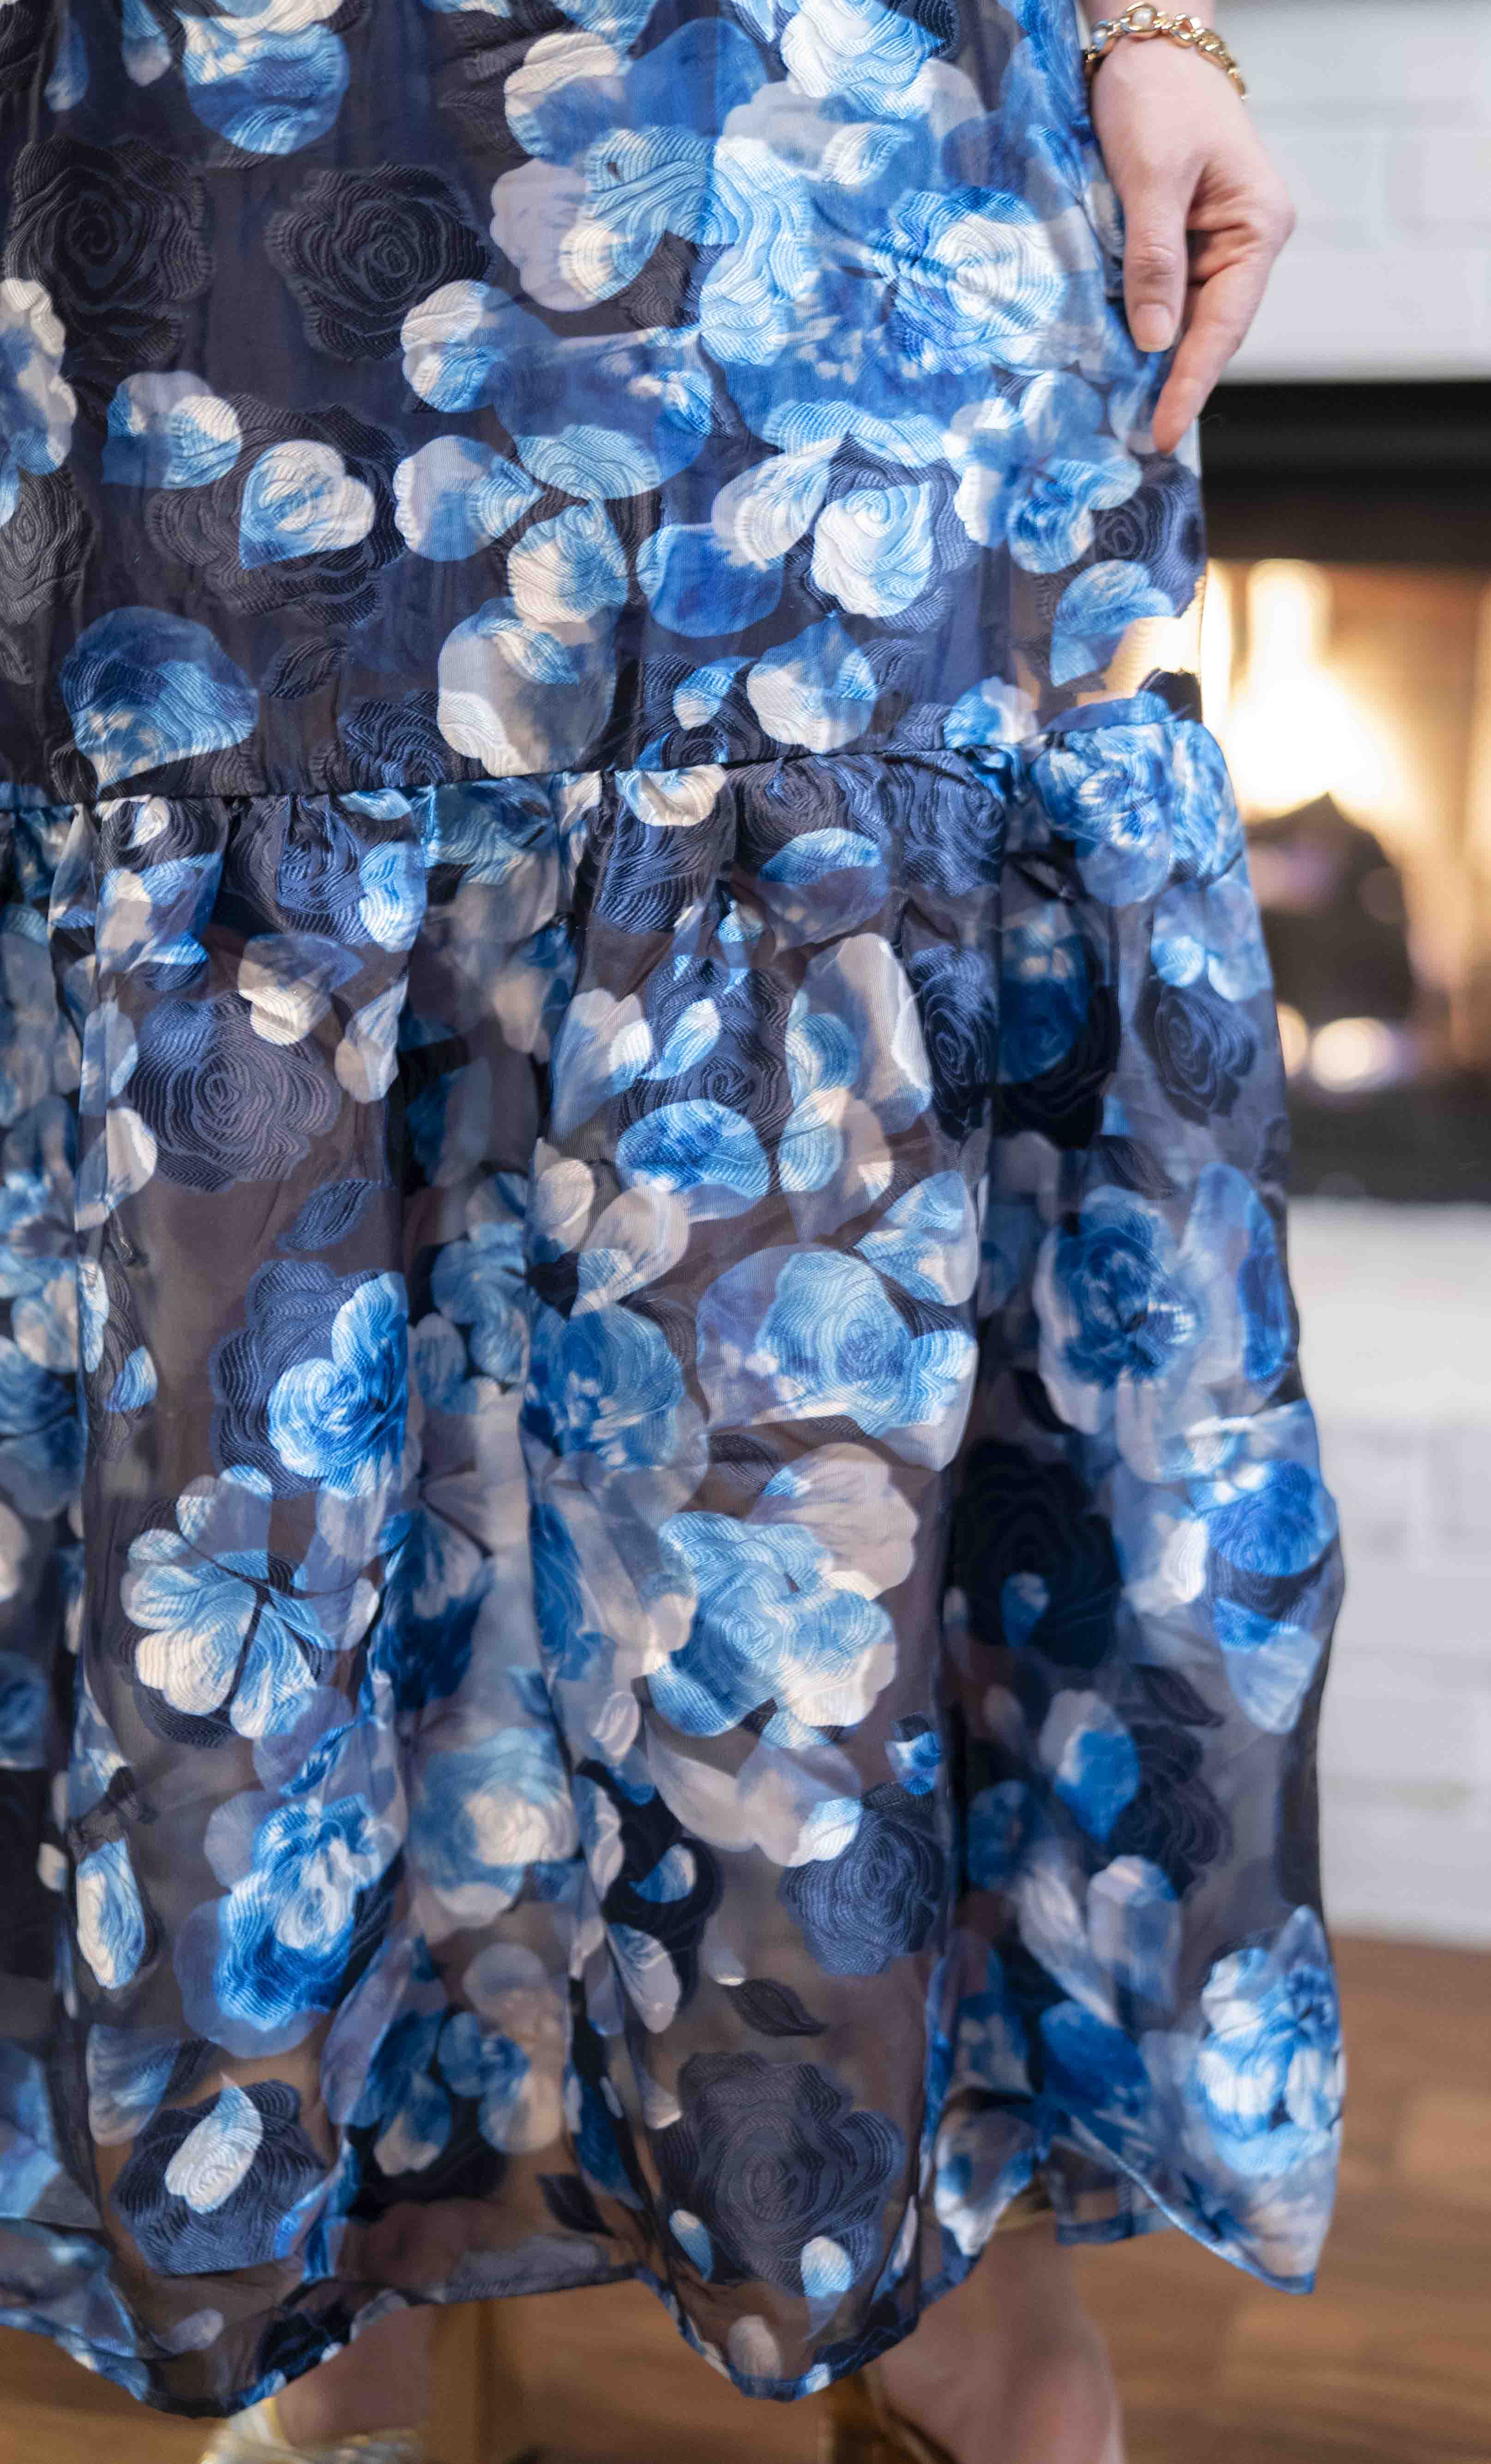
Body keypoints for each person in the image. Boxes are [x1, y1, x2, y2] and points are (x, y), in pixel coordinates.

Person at [0, 4, 1341, 2461]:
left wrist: (1153, 15)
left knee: (839, 1251)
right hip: (207, 150)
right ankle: (357, 2257)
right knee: (272, 1222)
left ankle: (954, 2292)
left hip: (838, 120)